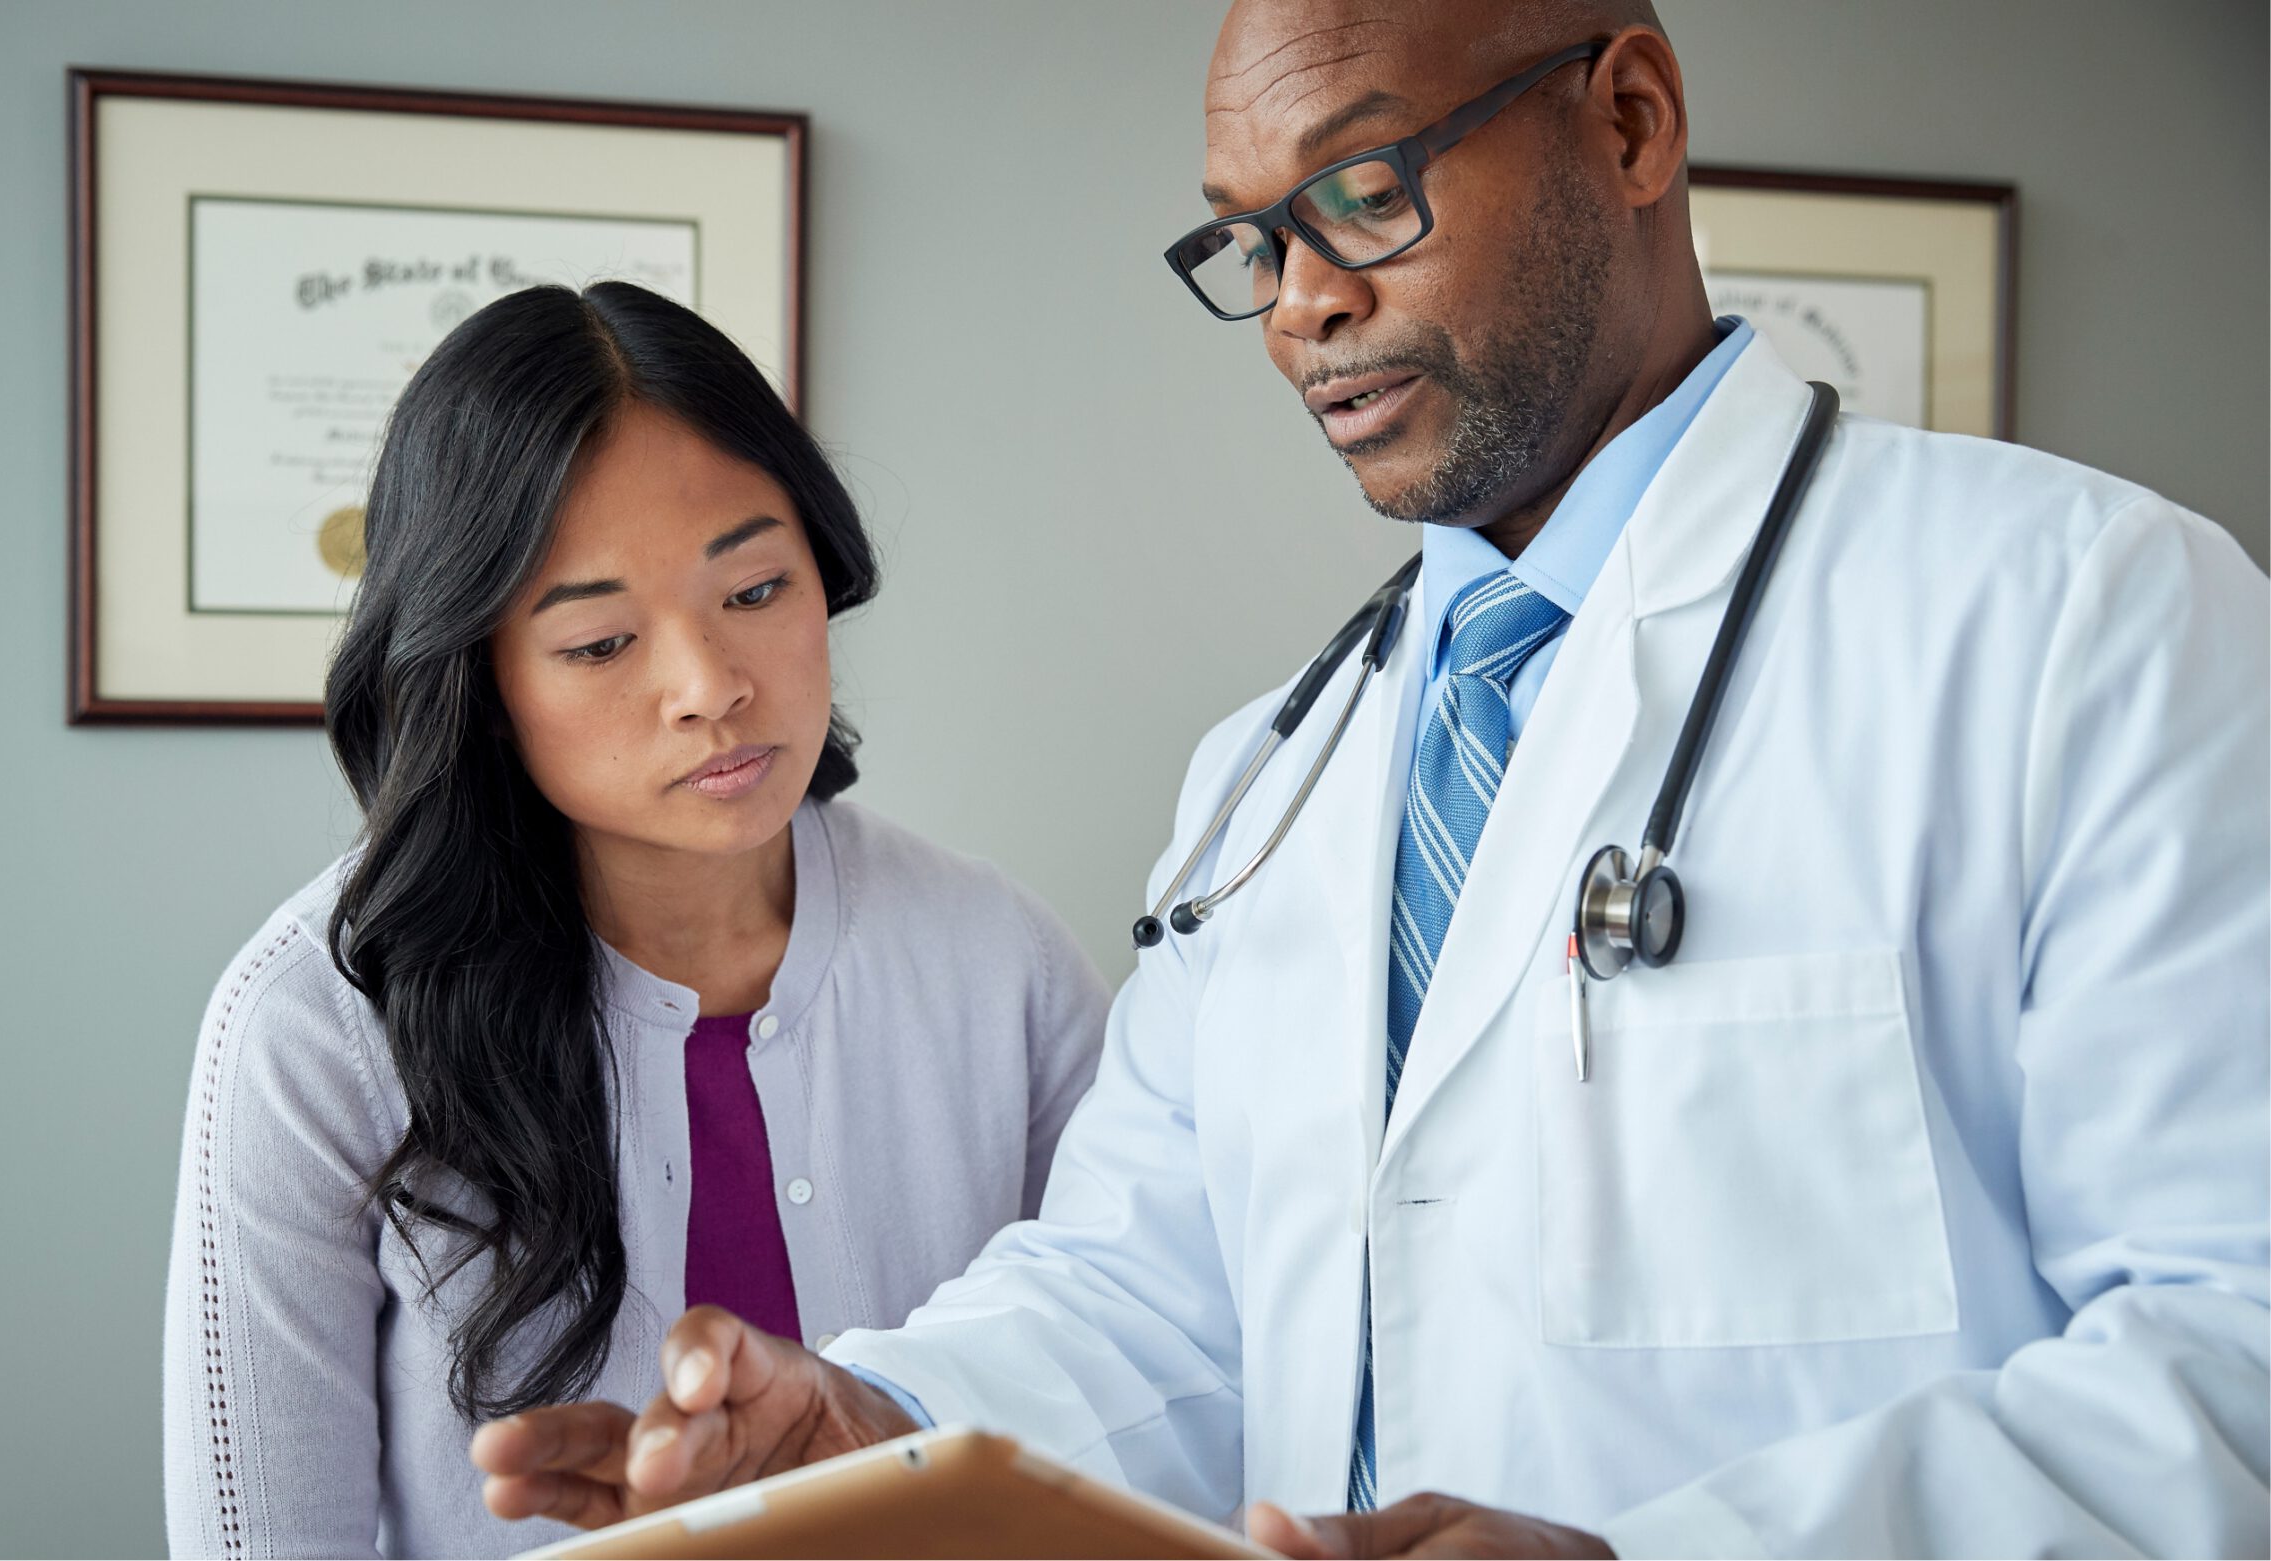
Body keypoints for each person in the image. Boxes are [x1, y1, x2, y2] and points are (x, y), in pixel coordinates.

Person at [470, 3, 2271, 1556]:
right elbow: (1150, 1294)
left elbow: (2237, 1354)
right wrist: (872, 1426)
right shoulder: (1273, 780)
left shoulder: (2077, 623)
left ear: (1629, 119)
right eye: (1251, 240)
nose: (1302, 306)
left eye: (1363, 190)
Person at [161, 282, 1107, 1558]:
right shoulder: (320, 1026)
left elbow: (1122, 1407)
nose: (710, 686)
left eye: (758, 590)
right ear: (479, 681)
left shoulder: (1000, 963)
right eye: (603, 644)